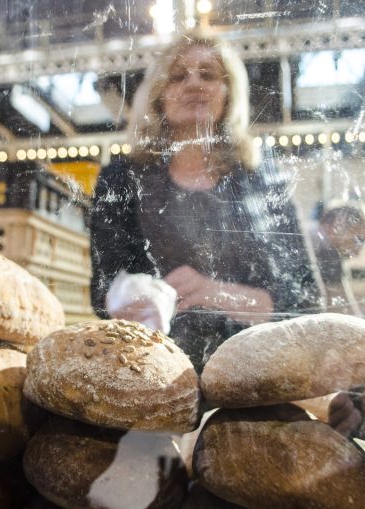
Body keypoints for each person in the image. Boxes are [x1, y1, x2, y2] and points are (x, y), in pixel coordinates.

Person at [90, 31, 322, 372]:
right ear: (158, 96)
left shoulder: (263, 179)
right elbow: (101, 292)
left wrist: (215, 292)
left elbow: (306, 299)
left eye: (209, 74)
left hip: (258, 370)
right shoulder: (122, 176)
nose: (194, 83)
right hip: (151, 371)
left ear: (228, 94)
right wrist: (134, 295)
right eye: (178, 76)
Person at [311, 200, 365, 316]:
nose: (359, 250)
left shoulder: (330, 257)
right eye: (358, 240)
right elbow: (347, 315)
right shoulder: (327, 255)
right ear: (333, 227)